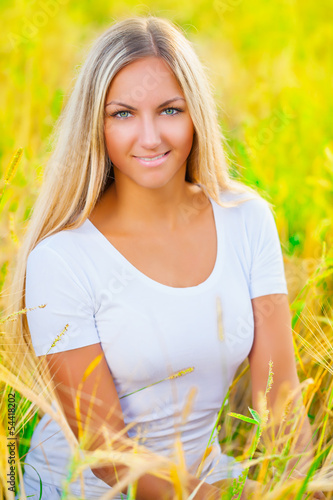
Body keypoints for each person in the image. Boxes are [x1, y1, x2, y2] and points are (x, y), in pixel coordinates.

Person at [11, 15, 323, 500]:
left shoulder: (246, 219)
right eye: (123, 114)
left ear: (196, 113)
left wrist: (305, 488)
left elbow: (280, 397)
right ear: (96, 124)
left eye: (170, 110)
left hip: (209, 483)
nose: (151, 137)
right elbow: (110, 456)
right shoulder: (62, 259)